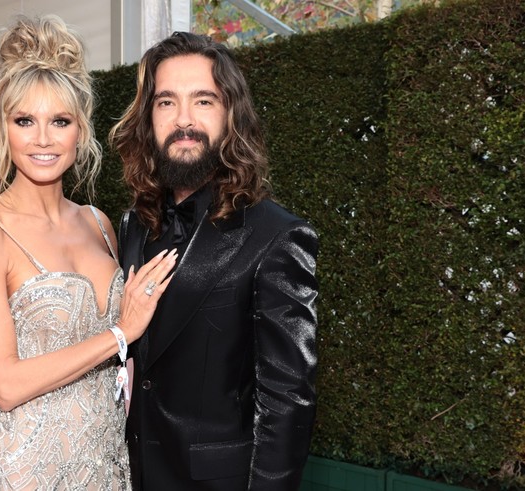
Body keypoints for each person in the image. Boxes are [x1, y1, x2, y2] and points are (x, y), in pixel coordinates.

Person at [0, 15, 177, 490]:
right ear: (3, 128)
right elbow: (5, 386)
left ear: (81, 129)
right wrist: (121, 332)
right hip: (27, 467)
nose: (42, 139)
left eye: (60, 120)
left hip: (106, 461)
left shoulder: (98, 223)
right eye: (24, 121)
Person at [109, 31, 320, 490]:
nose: (183, 119)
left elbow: (288, 400)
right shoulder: (132, 225)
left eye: (203, 101)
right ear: (148, 119)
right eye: (166, 102)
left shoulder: (277, 235)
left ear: (231, 115)